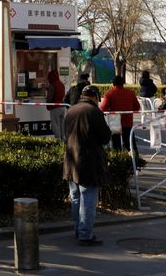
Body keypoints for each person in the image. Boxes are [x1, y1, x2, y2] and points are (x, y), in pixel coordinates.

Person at [63, 85, 111, 246]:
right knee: (88, 200)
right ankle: (85, 235)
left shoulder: (71, 110)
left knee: (75, 198)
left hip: (70, 161)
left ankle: (78, 230)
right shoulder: (94, 112)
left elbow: (65, 134)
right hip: (88, 163)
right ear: (95, 96)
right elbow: (105, 137)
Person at [100, 76, 140, 151]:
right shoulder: (131, 93)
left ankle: (118, 158)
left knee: (116, 144)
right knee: (130, 143)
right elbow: (137, 107)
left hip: (115, 122)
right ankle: (135, 159)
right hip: (128, 122)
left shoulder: (109, 93)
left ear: (113, 84)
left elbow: (103, 108)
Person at [46, 68, 66, 139]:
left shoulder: (52, 85)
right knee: (62, 125)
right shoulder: (61, 84)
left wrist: (47, 104)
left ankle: (58, 141)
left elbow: (50, 98)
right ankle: (63, 141)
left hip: (55, 108)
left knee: (55, 126)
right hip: (62, 107)